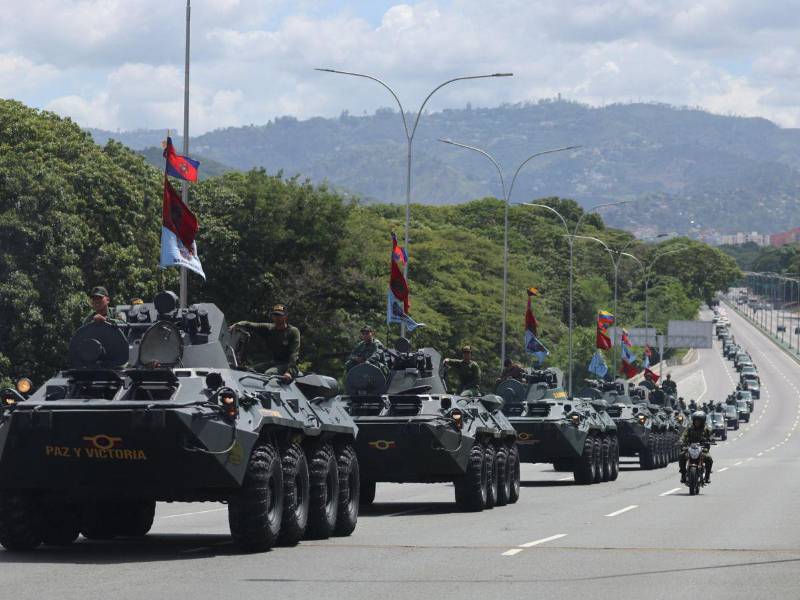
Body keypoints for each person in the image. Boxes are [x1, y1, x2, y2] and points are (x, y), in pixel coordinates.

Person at [230, 304, 300, 383]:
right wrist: (238, 324)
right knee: (250, 370)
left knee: (269, 374)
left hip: (288, 364)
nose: (277, 318)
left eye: (280, 315)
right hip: (275, 362)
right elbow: (252, 325)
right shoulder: (269, 328)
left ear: (285, 317)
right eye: (275, 315)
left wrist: (289, 372)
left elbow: (294, 354)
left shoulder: (292, 331)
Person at [679, 410, 714, 483]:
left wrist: (711, 439)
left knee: (709, 459)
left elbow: (711, 435)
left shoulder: (706, 428)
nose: (697, 422)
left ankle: (707, 476)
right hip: (690, 447)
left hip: (702, 448)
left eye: (699, 421)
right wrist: (681, 441)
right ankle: (683, 474)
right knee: (681, 456)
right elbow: (684, 435)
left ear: (702, 421)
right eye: (696, 420)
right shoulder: (690, 428)